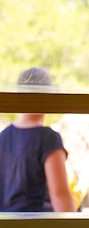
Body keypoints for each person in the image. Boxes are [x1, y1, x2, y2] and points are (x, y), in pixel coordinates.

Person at [0, 68, 76, 212]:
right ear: (48, 97)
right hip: (38, 227)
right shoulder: (48, 139)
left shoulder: (2, 137)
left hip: (6, 227)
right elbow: (60, 196)